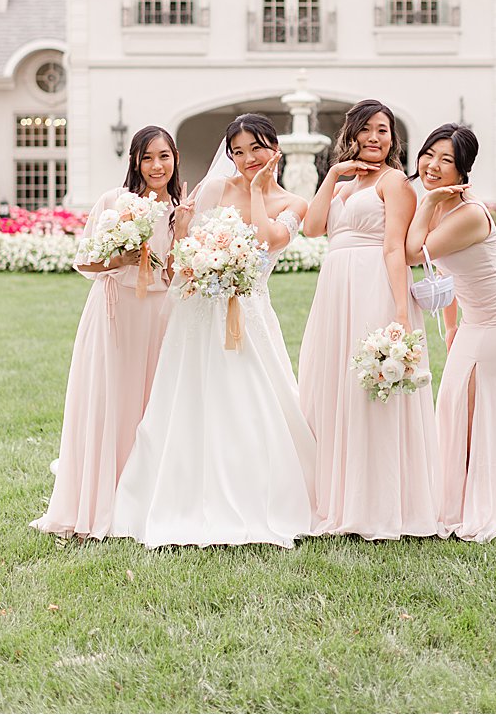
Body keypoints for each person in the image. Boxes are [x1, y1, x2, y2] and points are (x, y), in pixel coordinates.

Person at [111, 114, 317, 549]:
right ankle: (180, 493)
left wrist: (259, 192)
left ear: (274, 149)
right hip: (200, 310)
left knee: (250, 401)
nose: (246, 159)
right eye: (237, 152)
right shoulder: (214, 189)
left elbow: (269, 241)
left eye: (256, 148)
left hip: (250, 311)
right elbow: (185, 254)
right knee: (189, 400)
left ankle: (257, 495)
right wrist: (186, 234)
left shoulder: (294, 202)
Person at [406, 124, 496, 542]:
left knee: (482, 404)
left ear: (463, 171)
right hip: (477, 318)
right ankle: (459, 498)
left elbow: (413, 253)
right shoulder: (442, 205)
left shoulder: (467, 212)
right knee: (455, 399)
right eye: (429, 155)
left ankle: (489, 503)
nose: (433, 166)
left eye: (446, 160)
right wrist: (452, 326)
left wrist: (427, 202)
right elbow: (446, 271)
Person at [298, 99, 439, 539]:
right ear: (352, 135)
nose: (375, 138)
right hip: (335, 292)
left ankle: (377, 503)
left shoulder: (396, 181)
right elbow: (313, 228)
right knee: (332, 386)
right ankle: (336, 496)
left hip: (373, 287)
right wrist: (333, 176)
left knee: (368, 393)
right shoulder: (343, 184)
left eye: (383, 130)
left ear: (393, 139)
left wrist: (401, 312)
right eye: (367, 129)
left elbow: (395, 248)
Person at [31, 126, 180, 539]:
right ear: (135, 160)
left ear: (175, 159)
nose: (157, 166)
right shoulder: (113, 202)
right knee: (111, 399)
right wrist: (120, 256)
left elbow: (176, 270)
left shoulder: (179, 209)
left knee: (152, 403)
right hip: (116, 312)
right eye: (148, 157)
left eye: (164, 156)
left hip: (160, 315)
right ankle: (98, 500)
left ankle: (143, 501)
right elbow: (86, 263)